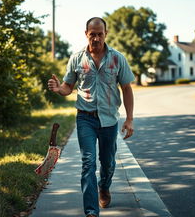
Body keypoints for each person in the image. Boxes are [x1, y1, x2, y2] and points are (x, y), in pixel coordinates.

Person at [48, 17, 134, 217]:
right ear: (86, 33)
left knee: (108, 162)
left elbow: (127, 88)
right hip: (85, 118)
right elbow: (68, 86)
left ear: (106, 34)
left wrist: (129, 119)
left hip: (109, 120)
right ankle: (91, 211)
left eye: (100, 34)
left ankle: (104, 187)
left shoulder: (117, 58)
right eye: (92, 34)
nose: (96, 38)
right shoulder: (77, 58)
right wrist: (59, 89)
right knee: (88, 162)